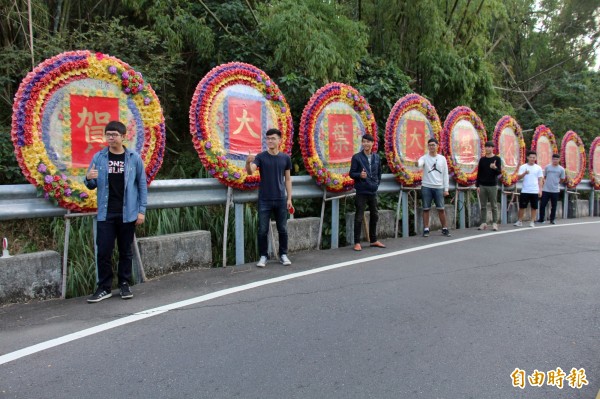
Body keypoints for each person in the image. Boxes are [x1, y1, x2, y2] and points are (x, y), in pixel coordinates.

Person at [84, 121, 147, 303]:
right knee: (103, 250)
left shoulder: (133, 158)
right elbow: (91, 184)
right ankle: (104, 287)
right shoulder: (99, 157)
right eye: (108, 135)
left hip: (128, 212)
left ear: (123, 136)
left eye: (114, 135)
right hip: (106, 213)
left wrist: (141, 211)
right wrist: (88, 178)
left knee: (125, 251)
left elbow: (141, 185)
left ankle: (124, 284)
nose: (111, 138)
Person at [246, 128, 293, 267]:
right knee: (262, 230)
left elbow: (288, 179)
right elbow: (250, 172)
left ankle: (283, 254)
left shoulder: (285, 158)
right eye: (268, 138)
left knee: (283, 229)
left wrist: (289, 198)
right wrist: (248, 162)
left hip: (281, 198)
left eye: (273, 138)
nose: (270, 141)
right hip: (264, 199)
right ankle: (263, 256)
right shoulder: (260, 157)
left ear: (279, 140)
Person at [349, 134, 386, 251]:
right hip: (361, 190)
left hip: (372, 190)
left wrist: (376, 184)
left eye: (368, 142)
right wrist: (359, 175)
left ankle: (373, 240)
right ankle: (357, 242)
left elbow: (379, 173)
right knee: (359, 216)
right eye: (364, 142)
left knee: (375, 215)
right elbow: (351, 173)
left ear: (372, 143)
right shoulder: (357, 157)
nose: (366, 144)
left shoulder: (377, 157)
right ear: (362, 143)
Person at [418, 138, 451, 237]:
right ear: (428, 147)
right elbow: (419, 163)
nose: (432, 147)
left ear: (437, 146)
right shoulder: (424, 158)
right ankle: (426, 228)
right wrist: (417, 163)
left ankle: (444, 228)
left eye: (433, 145)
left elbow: (445, 174)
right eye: (430, 145)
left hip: (439, 187)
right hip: (426, 186)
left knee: (441, 209)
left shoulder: (442, 158)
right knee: (426, 208)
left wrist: (446, 189)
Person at [476, 141, 502, 231]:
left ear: (492, 148)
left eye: (489, 147)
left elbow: (499, 173)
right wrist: (477, 185)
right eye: (486, 147)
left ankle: (495, 223)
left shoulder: (497, 159)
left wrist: (494, 168)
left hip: (492, 185)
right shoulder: (482, 160)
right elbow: (479, 173)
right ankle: (483, 223)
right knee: (483, 205)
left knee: (493, 205)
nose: (488, 148)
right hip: (482, 185)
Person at [514, 151, 543, 227]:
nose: (532, 159)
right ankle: (520, 221)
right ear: (527, 157)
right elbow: (518, 177)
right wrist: (524, 173)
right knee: (522, 206)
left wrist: (540, 190)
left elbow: (540, 179)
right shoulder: (523, 167)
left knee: (534, 207)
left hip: (534, 190)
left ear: (536, 158)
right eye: (531, 157)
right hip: (525, 190)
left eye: (534, 157)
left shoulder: (538, 168)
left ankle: (532, 221)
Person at [537, 153, 566, 224]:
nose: (555, 160)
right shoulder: (547, 167)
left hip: (555, 190)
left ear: (559, 160)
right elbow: (544, 176)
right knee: (543, 204)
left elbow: (562, 179)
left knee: (554, 205)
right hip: (546, 189)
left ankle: (552, 219)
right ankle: (541, 219)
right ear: (552, 159)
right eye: (554, 159)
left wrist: (557, 183)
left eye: (557, 159)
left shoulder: (561, 169)